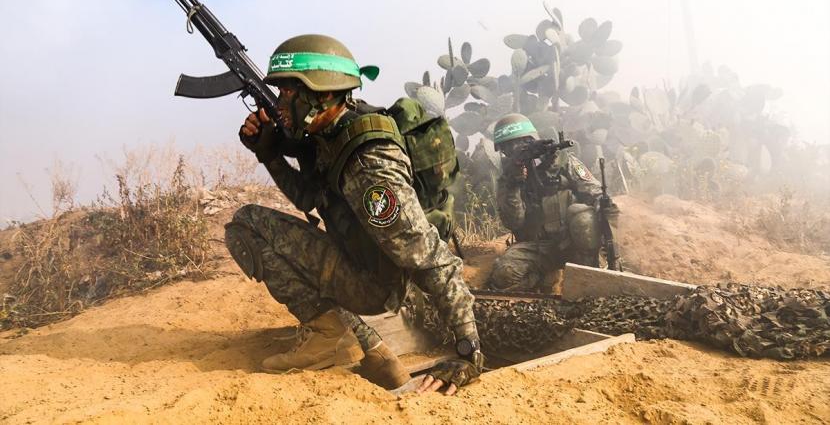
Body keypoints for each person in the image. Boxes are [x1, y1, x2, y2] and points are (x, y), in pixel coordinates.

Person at [226, 34, 483, 394]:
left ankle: (331, 335)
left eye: (287, 92)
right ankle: (352, 338)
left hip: (374, 286)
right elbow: (306, 197)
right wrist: (269, 154)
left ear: (323, 95)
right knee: (248, 224)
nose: (279, 104)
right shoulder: (329, 132)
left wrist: (467, 351)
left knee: (247, 224)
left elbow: (428, 255)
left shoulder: (369, 163)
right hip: (359, 262)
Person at [487, 114, 619, 294]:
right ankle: (546, 281)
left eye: (521, 143)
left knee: (583, 218)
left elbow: (594, 190)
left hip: (574, 242)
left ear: (532, 139)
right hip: (538, 247)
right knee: (504, 275)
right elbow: (514, 222)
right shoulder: (507, 180)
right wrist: (514, 185)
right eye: (508, 147)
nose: (514, 149)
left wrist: (603, 207)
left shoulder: (562, 160)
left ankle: (592, 274)